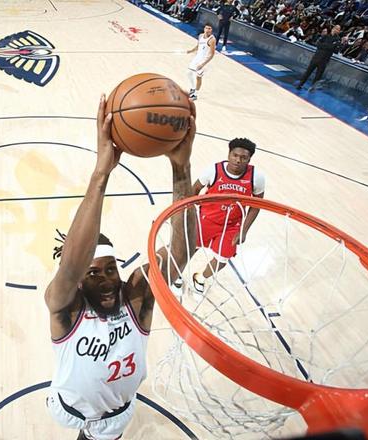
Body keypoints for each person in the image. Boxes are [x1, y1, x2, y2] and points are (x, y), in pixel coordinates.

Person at [45, 94, 197, 440]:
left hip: (115, 415)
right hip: (70, 407)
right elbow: (70, 266)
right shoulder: (66, 307)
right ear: (79, 280)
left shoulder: (137, 297)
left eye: (110, 269)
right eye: (93, 273)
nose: (105, 281)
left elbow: (182, 250)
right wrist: (101, 173)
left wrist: (181, 169)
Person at [189, 138, 265, 293]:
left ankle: (200, 277)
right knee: (189, 249)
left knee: (222, 259)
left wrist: (244, 230)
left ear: (249, 159)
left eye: (243, 158)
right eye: (235, 155)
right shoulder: (213, 170)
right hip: (206, 219)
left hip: (232, 225)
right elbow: (194, 189)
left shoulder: (256, 177)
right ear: (229, 154)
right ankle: (177, 274)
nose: (238, 160)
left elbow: (256, 206)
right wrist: (189, 215)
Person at [296, 24, 341, 91]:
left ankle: (312, 88)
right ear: (333, 28)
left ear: (339, 31)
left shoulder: (338, 39)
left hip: (324, 60)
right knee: (308, 72)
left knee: (318, 76)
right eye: (335, 28)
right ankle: (300, 84)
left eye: (338, 29)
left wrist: (326, 46)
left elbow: (334, 49)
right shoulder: (326, 36)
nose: (336, 30)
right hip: (316, 57)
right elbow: (318, 44)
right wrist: (328, 46)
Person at [186, 23, 216, 101]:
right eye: (206, 28)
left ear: (211, 30)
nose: (208, 30)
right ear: (204, 29)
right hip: (197, 58)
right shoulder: (200, 36)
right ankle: (193, 88)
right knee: (188, 73)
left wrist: (203, 64)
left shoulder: (212, 40)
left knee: (198, 77)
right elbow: (198, 46)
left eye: (209, 28)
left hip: (204, 61)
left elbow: (212, 54)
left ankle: (195, 95)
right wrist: (191, 50)